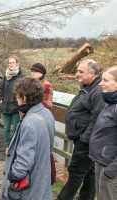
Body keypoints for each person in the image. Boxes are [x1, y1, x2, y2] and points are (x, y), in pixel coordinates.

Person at [0, 77, 55, 200]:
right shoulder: (46, 113)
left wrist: (12, 175)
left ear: (24, 98)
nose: (16, 100)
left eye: (17, 97)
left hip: (29, 189)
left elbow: (23, 162)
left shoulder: (29, 123)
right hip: (42, 177)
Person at [57, 59, 105, 200]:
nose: (77, 74)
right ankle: (86, 198)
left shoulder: (98, 91)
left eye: (81, 71)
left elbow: (97, 119)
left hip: (86, 142)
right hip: (84, 140)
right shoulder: (88, 87)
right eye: (77, 71)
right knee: (90, 172)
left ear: (92, 73)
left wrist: (84, 140)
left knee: (75, 173)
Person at [89, 66, 117, 200]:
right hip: (101, 162)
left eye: (105, 80)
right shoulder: (110, 102)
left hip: (110, 167)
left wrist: (111, 171)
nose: (100, 83)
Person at [0, 56, 24, 155]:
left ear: (17, 64)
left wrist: (21, 103)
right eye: (9, 63)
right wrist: (0, 99)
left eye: (13, 62)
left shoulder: (22, 76)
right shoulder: (6, 76)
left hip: (16, 107)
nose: (11, 64)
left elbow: (24, 91)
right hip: (6, 106)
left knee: (16, 128)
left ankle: (16, 146)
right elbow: (1, 89)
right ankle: (8, 146)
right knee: (6, 128)